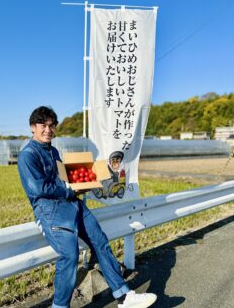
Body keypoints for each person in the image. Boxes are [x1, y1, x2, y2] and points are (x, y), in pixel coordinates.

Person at [18, 106, 157, 308]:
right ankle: (60, 305)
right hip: (51, 211)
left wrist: (79, 185)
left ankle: (124, 297)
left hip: (72, 204)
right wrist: (69, 190)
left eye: (51, 125)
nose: (48, 130)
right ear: (33, 127)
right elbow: (38, 188)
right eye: (43, 125)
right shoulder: (27, 155)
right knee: (70, 255)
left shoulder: (53, 151)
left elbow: (63, 178)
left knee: (100, 242)